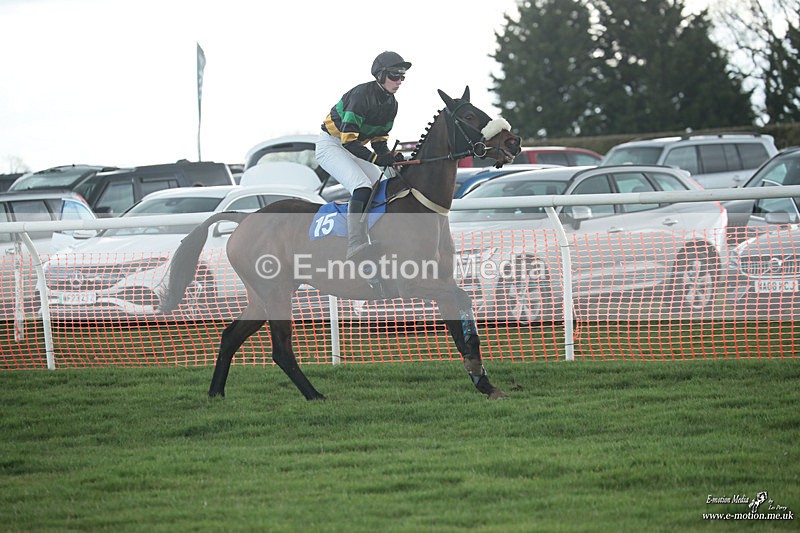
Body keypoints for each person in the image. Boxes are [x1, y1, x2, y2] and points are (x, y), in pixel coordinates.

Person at [316, 51, 411, 260]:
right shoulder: (361, 96)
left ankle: (379, 233)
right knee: (362, 186)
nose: (400, 81)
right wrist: (377, 159)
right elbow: (348, 140)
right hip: (331, 145)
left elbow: (378, 140)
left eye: (402, 76)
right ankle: (355, 244)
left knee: (383, 183)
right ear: (380, 75)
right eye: (395, 76)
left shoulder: (392, 104)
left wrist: (388, 156)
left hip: (354, 145)